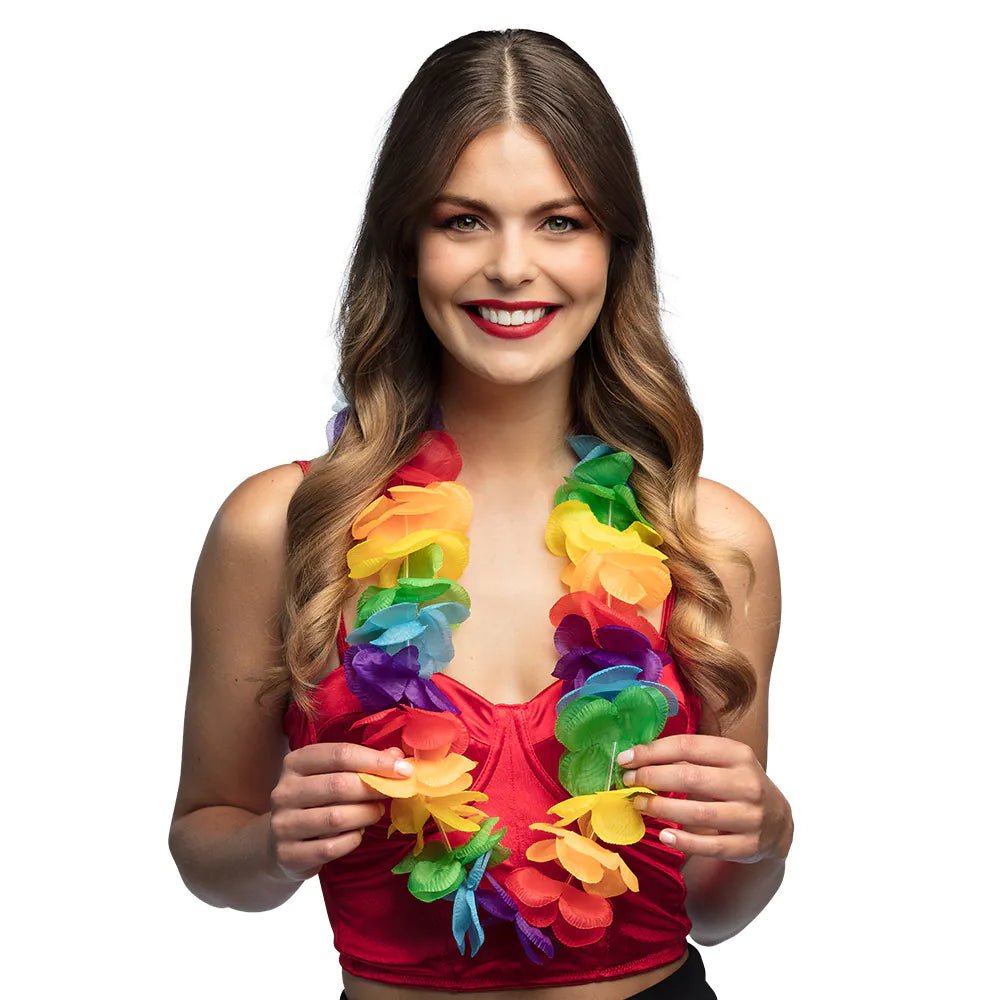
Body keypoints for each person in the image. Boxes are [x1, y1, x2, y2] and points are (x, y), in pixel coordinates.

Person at [168, 27, 792, 1000]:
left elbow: (713, 905)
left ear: (613, 249)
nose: (510, 266)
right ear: (406, 244)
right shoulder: (280, 525)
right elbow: (208, 843)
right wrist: (269, 846)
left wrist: (767, 836)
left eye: (560, 222)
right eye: (464, 220)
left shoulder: (711, 539)